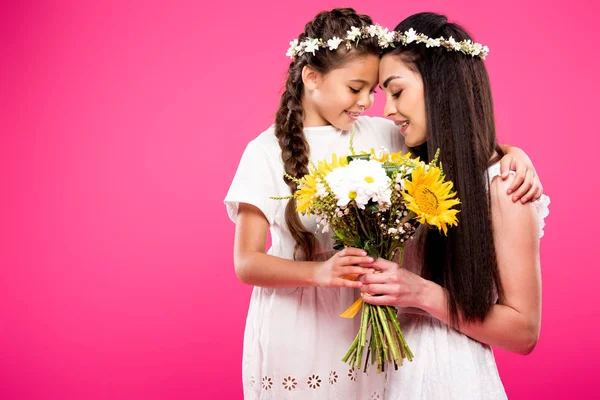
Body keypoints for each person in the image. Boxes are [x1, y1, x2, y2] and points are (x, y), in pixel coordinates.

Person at [225, 8, 542, 399]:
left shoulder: (383, 136)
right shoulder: (265, 151)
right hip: (302, 326)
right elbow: (246, 261)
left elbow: (457, 145)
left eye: (377, 91)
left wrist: (512, 153)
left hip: (375, 340)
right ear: (311, 76)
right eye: (356, 88)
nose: (374, 105)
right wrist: (322, 272)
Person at [359, 12, 550, 399]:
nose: (387, 111)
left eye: (397, 92)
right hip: (380, 374)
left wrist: (419, 293)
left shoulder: (505, 190)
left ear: (440, 87)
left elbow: (523, 332)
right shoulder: (402, 166)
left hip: (450, 378)